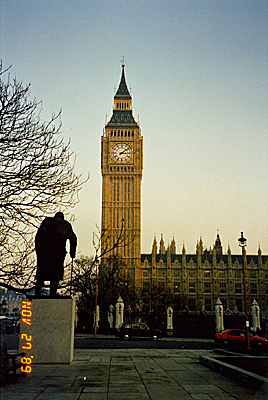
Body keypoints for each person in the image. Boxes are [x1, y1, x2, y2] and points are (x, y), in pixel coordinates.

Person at [35, 212, 77, 298]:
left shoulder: (46, 222)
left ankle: (37, 292)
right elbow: (73, 238)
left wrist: (38, 250)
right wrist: (72, 252)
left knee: (41, 274)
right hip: (58, 253)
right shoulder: (66, 225)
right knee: (55, 275)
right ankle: (53, 293)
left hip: (44, 252)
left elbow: (38, 237)